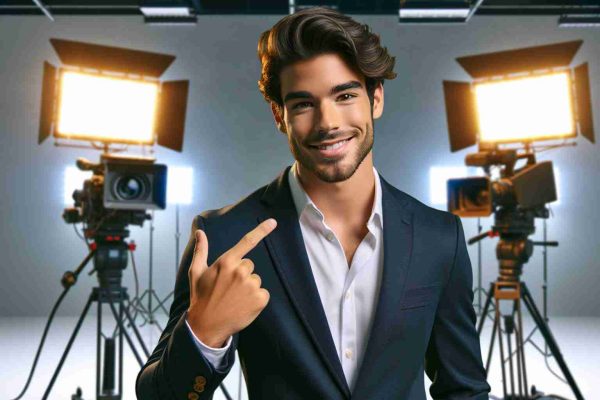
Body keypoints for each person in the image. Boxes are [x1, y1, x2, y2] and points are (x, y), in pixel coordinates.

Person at [136, 7, 490, 400]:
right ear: (279, 116)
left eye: (345, 95)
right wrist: (203, 333)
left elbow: (464, 390)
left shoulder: (438, 237)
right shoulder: (226, 237)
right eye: (304, 104)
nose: (328, 122)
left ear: (376, 99)